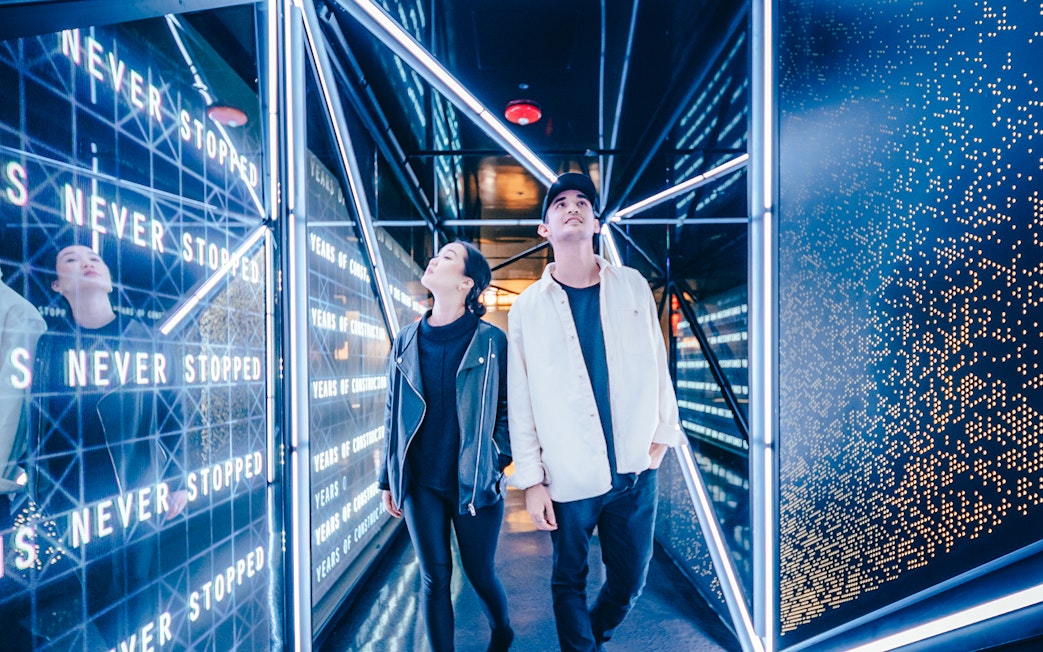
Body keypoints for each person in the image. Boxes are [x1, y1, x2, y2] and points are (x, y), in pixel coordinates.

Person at [507, 173, 684, 651]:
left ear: (596, 221)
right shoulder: (527, 308)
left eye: (582, 201)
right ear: (545, 228)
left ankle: (593, 635)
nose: (572, 207)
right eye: (560, 203)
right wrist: (533, 480)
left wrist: (663, 435)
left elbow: (658, 360)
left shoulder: (631, 286)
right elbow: (520, 398)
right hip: (568, 472)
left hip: (634, 467)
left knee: (630, 581)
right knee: (569, 580)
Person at [379, 241, 514, 652]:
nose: (435, 258)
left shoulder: (491, 342)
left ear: (467, 283)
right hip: (420, 482)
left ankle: (502, 629)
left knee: (479, 573)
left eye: (448, 257)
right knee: (434, 578)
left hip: (473, 480)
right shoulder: (405, 340)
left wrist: (494, 457)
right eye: (436, 254)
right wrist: (388, 477)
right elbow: (393, 411)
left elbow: (511, 409)